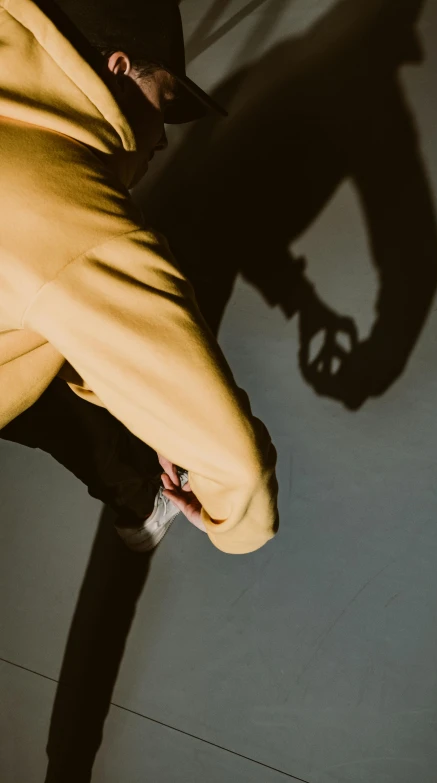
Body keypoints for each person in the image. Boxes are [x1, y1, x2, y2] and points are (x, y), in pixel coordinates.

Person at [0, 0, 279, 554]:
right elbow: (235, 464)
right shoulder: (66, 212)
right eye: (165, 98)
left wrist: (149, 413)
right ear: (119, 68)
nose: (165, 136)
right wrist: (235, 519)